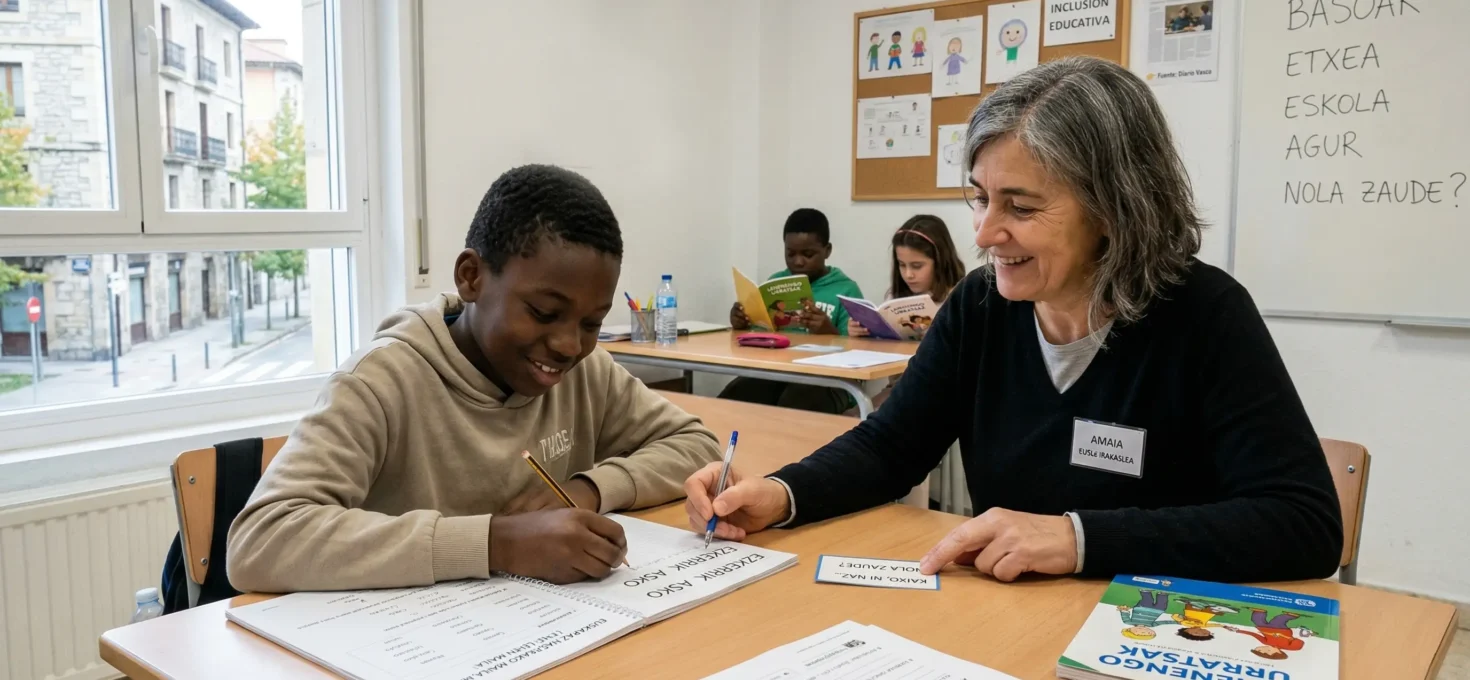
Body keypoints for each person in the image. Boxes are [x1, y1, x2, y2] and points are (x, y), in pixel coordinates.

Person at [685, 56, 1343, 585]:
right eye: (979, 198)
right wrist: (780, 492)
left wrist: (1077, 538)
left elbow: (1304, 524)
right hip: (1009, 619)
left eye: (1020, 207)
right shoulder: (979, 308)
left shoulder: (1206, 315)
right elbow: (890, 447)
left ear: (1116, 210)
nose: (986, 231)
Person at [227, 165, 722, 593]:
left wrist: (590, 488)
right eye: (544, 311)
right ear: (471, 277)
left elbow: (696, 445)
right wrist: (496, 543)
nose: (569, 344)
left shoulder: (584, 371)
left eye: (591, 323)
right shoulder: (380, 383)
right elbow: (261, 539)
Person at [722, 208, 863, 414]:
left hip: (832, 381)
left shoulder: (846, 290)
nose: (798, 261)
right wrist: (741, 323)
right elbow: (757, 338)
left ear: (827, 250)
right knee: (735, 397)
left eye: (808, 254)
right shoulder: (776, 281)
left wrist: (827, 331)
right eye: (791, 253)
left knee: (795, 402)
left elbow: (859, 354)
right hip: (779, 372)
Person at [847, 215, 967, 411]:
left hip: (939, 390)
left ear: (940, 261)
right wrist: (860, 333)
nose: (908, 274)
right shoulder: (896, 298)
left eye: (917, 266)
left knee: (862, 420)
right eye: (902, 265)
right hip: (899, 386)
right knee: (851, 417)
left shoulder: (958, 296)